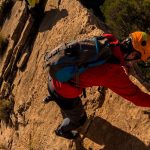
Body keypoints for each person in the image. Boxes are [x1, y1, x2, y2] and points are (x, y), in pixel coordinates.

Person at [43, 33, 150, 139]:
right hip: (62, 91)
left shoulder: (109, 39)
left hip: (56, 70)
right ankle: (61, 131)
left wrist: (124, 63)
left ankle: (54, 97)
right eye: (137, 59)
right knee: (80, 120)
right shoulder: (113, 74)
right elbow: (138, 98)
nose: (135, 62)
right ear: (132, 55)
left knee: (64, 96)